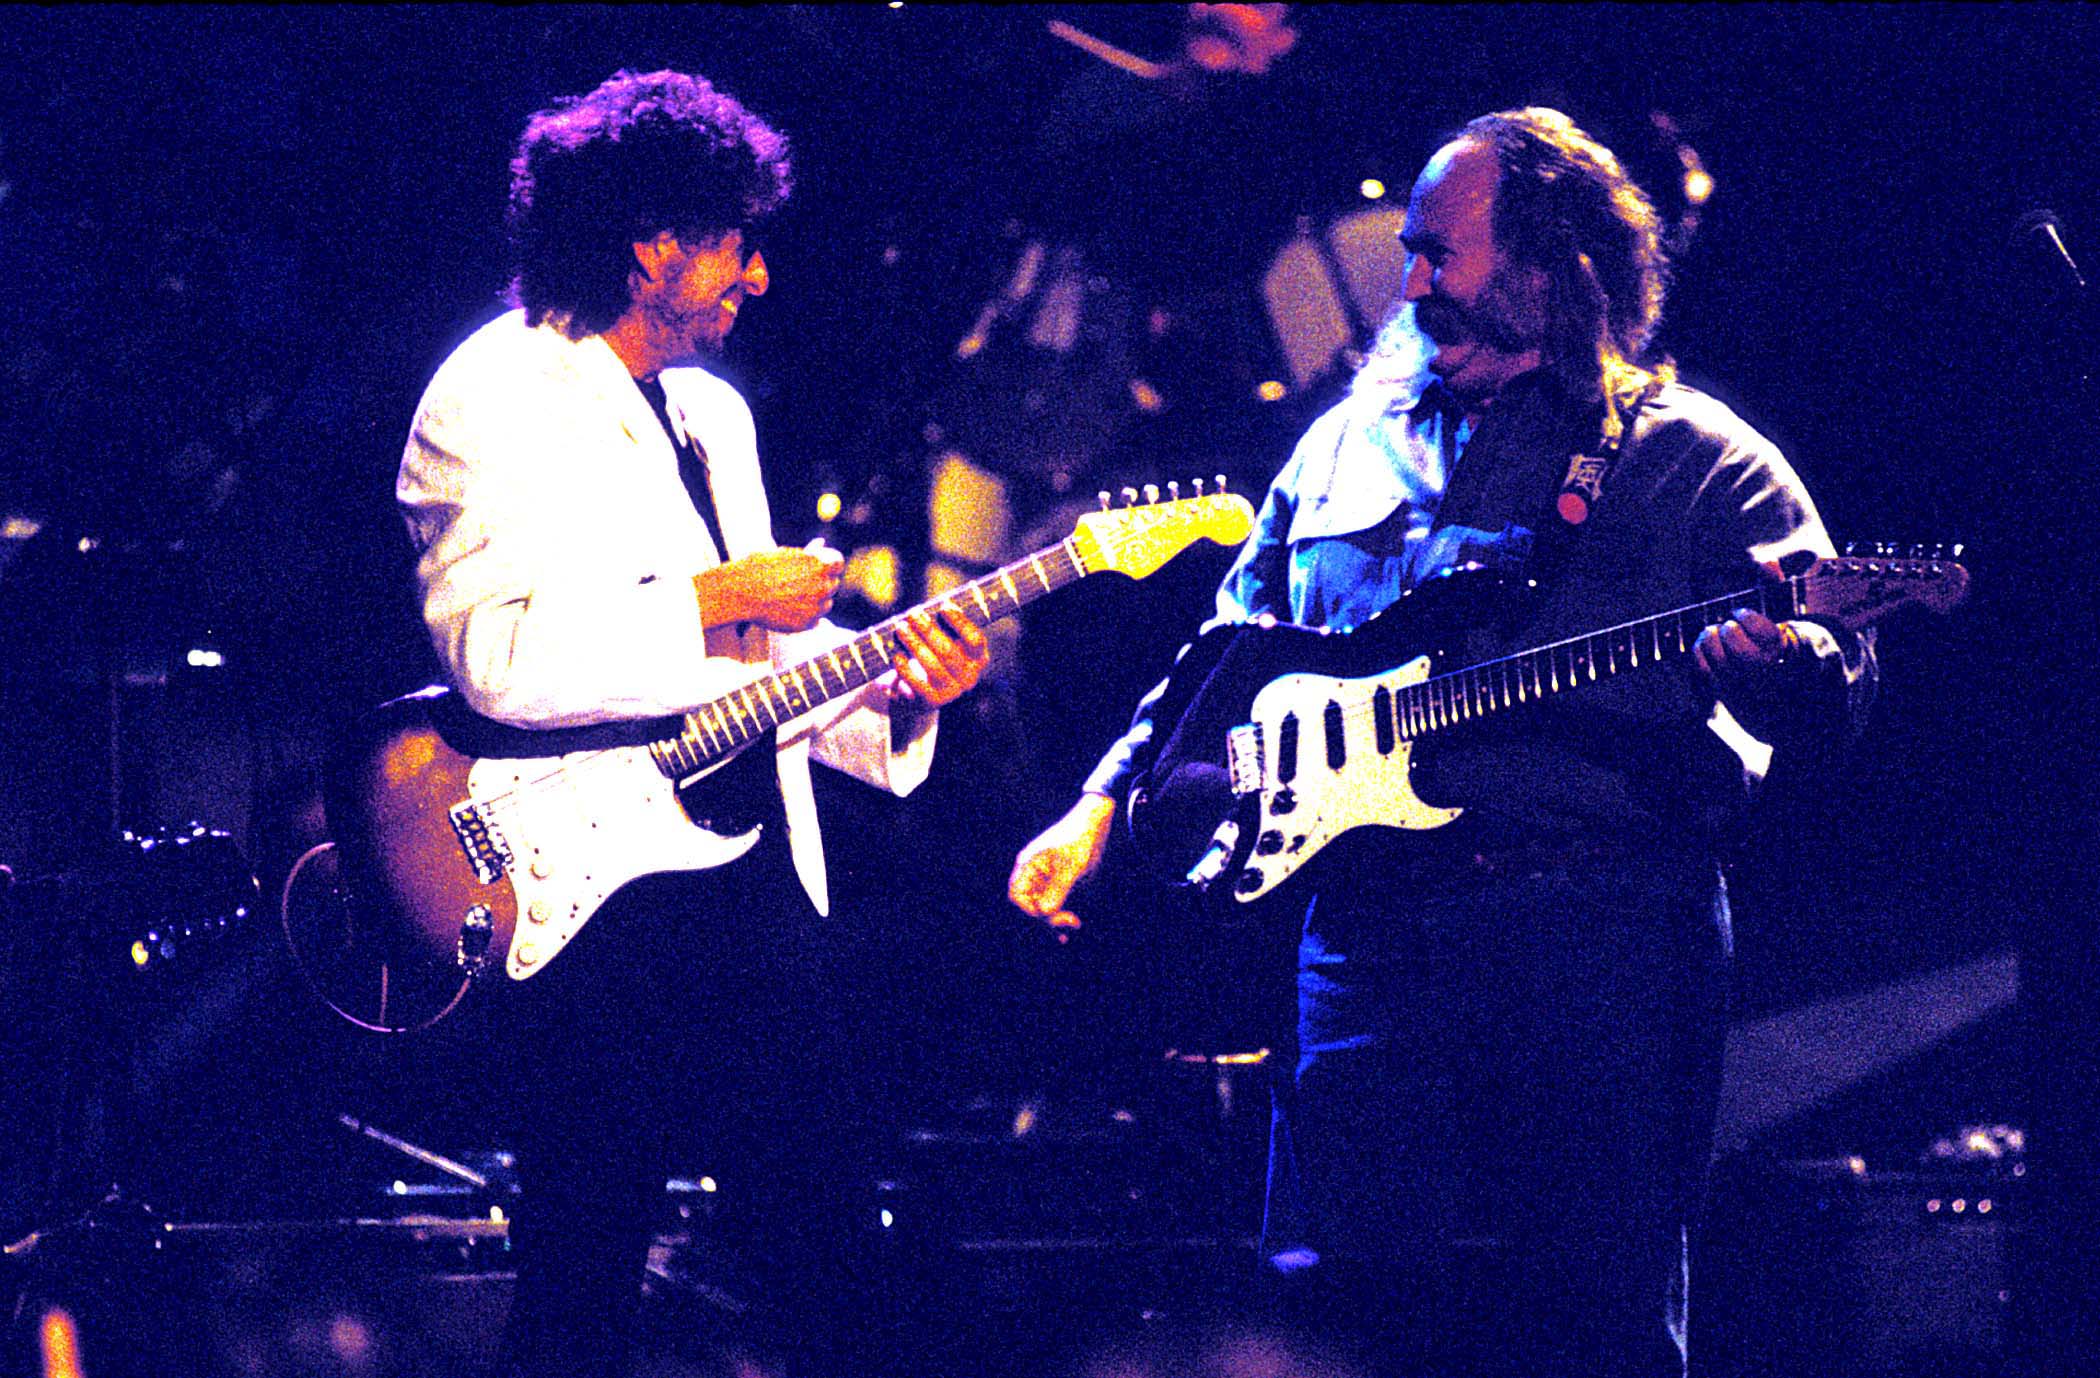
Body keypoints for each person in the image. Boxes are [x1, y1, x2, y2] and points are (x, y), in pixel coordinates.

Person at [1009, 108, 1876, 1377]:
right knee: (1335, 1306)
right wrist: (1101, 801)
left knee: (1598, 1317)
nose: (1411, 283)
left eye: (1440, 254)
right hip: (1364, 942)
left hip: (1601, 935)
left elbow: (1842, 679)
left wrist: (1791, 662)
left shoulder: (1697, 461)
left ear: (1553, 261)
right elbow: (1229, 649)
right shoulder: (1345, 441)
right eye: (1410, 254)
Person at [396, 70, 988, 1378]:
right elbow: (500, 657)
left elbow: (750, 662)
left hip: (754, 891)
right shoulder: (486, 399)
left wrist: (890, 685)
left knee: (832, 1260)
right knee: (585, 1288)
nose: (757, 278)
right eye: (736, 240)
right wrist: (715, 595)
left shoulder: (715, 412)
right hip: (602, 913)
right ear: (651, 243)